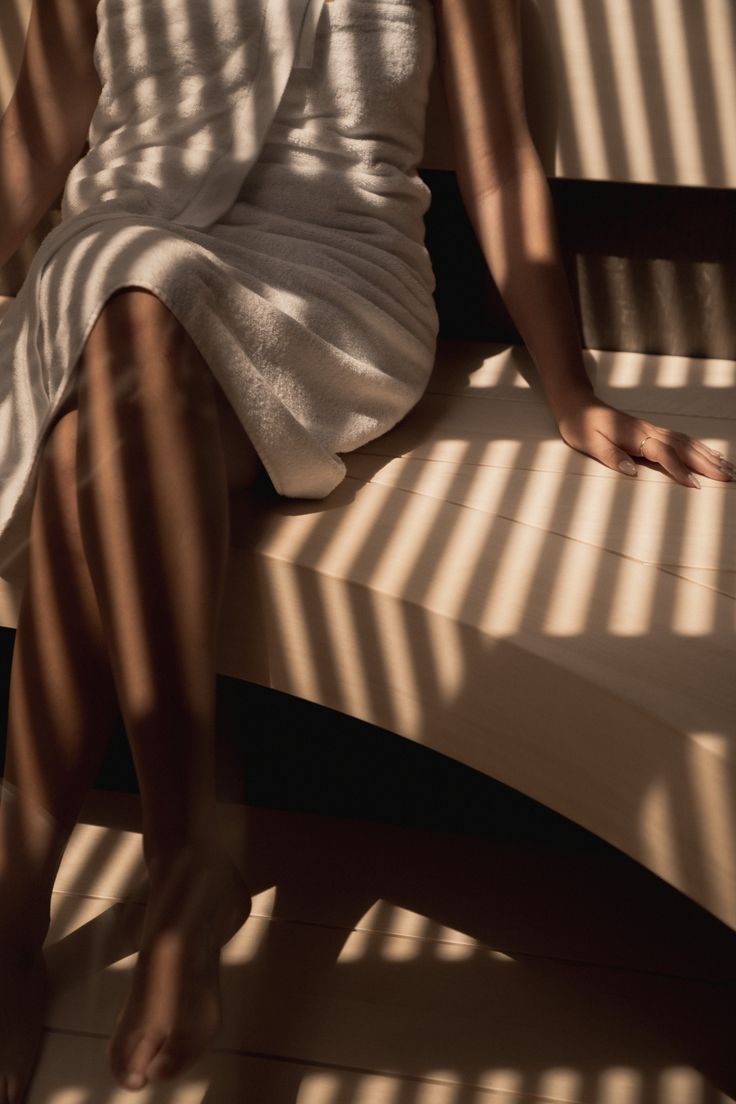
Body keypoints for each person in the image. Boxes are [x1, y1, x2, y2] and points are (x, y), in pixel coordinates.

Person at [0, 0, 732, 1099]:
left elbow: (494, 156)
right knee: (119, 311)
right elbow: (40, 132)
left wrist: (570, 390)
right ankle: (174, 854)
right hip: (111, 259)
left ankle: (24, 908)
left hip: (332, 280)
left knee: (115, 359)